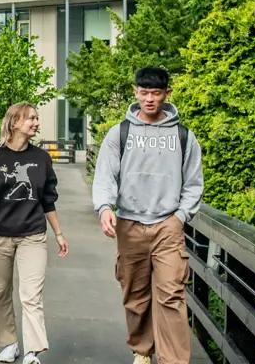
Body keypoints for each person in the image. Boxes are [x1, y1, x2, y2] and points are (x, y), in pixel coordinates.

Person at [92, 67, 204, 364]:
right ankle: (142, 349)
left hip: (168, 225)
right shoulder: (120, 133)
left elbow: (194, 183)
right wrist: (104, 208)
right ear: (135, 92)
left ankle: (174, 360)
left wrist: (180, 217)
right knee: (135, 296)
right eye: (144, 93)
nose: (150, 99)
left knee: (171, 296)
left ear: (167, 93)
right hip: (129, 225)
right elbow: (105, 175)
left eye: (156, 93)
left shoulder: (183, 136)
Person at [0, 102, 68, 364]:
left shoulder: (41, 158)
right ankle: (10, 343)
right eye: (30, 118)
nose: (36, 122)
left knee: (31, 294)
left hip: (32, 234)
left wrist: (58, 234)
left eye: (36, 118)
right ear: (14, 122)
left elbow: (48, 199)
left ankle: (32, 351)